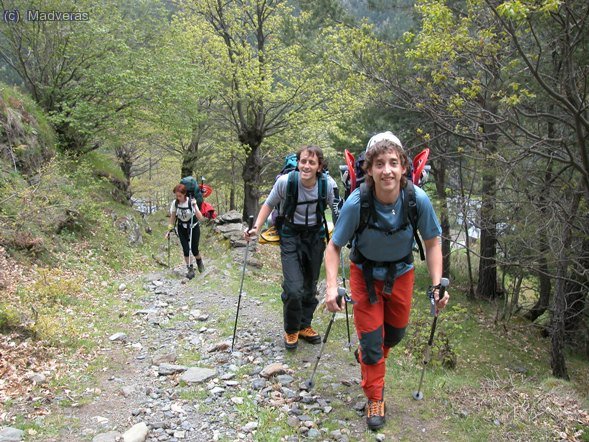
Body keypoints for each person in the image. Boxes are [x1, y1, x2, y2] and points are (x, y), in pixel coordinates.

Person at [324, 132, 449, 431]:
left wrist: (436, 285)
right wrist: (331, 287)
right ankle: (375, 397)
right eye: (379, 164)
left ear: (404, 167)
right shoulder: (358, 202)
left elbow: (432, 242)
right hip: (364, 276)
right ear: (369, 170)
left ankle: (371, 355)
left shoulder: (416, 199)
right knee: (372, 344)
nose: (387, 170)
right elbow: (333, 247)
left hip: (402, 274)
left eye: (393, 163)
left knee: (394, 335)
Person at [244, 145, 337, 350]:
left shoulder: (327, 184)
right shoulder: (286, 182)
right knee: (294, 287)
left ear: (319, 166)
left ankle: (305, 325)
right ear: (298, 163)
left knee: (310, 284)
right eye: (303, 161)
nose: (306, 166)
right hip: (290, 235)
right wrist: (255, 228)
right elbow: (268, 204)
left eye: (311, 162)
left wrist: (342, 234)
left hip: (315, 236)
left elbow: (337, 209)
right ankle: (292, 328)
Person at [166, 183, 205, 279]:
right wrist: (169, 230)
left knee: (194, 249)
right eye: (176, 195)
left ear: (184, 194)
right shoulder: (175, 203)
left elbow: (201, 218)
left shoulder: (190, 202)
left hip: (193, 227)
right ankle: (190, 269)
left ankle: (199, 262)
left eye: (180, 195)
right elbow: (173, 217)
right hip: (181, 228)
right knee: (186, 249)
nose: (178, 197)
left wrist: (195, 206)